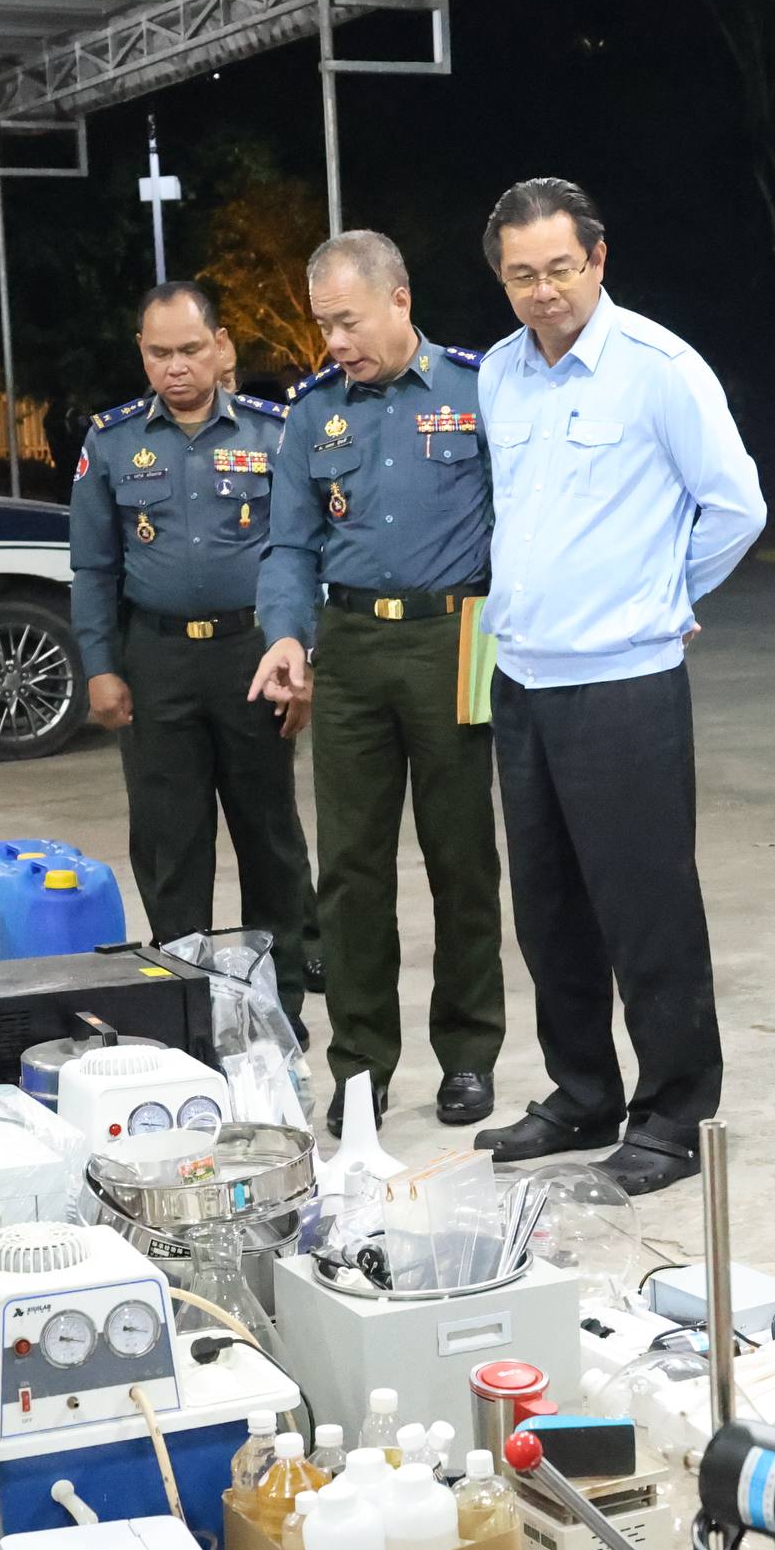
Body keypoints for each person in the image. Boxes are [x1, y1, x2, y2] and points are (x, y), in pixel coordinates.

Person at [466, 178, 767, 1195]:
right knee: (549, 911)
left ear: (598, 260)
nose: (543, 290)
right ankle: (581, 1091)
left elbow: (736, 506)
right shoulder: (498, 374)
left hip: (623, 684)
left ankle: (673, 1115)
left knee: (646, 909)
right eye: (521, 274)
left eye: (560, 268)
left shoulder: (658, 369)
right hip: (522, 676)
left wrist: (665, 596)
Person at [248, 231, 503, 1135]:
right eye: (324, 326)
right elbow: (289, 544)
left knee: (461, 857)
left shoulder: (477, 392)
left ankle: (468, 1056)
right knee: (350, 868)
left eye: (347, 322)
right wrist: (286, 636)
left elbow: (523, 519)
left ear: (400, 300)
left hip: (456, 639)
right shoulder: (313, 413)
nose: (334, 343)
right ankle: (360, 1066)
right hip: (350, 647)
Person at [72, 281, 315, 1027]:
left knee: (269, 835)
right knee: (169, 842)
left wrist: (304, 655)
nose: (175, 366)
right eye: (159, 353)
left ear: (221, 347)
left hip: (252, 655)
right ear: (142, 354)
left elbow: (303, 555)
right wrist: (101, 667)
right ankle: (188, 1005)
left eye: (189, 349)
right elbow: (93, 568)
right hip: (157, 659)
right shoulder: (111, 441)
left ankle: (279, 1006)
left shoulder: (276, 434)